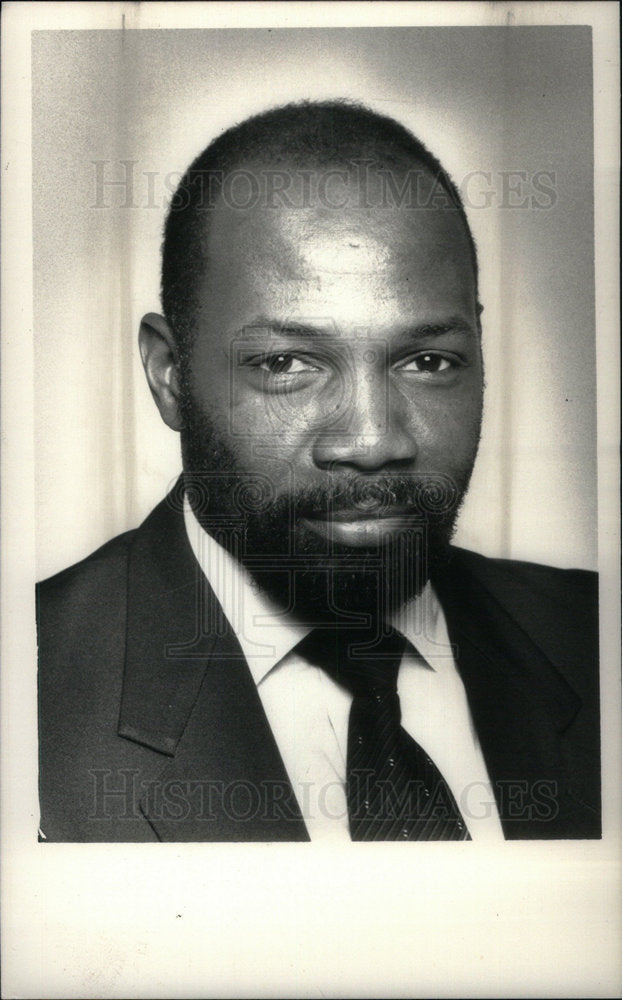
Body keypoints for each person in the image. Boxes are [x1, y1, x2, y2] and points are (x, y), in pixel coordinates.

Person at [37, 100, 600, 843]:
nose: (372, 441)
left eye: (427, 362)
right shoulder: (31, 682)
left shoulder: (590, 635)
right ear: (171, 374)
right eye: (286, 364)